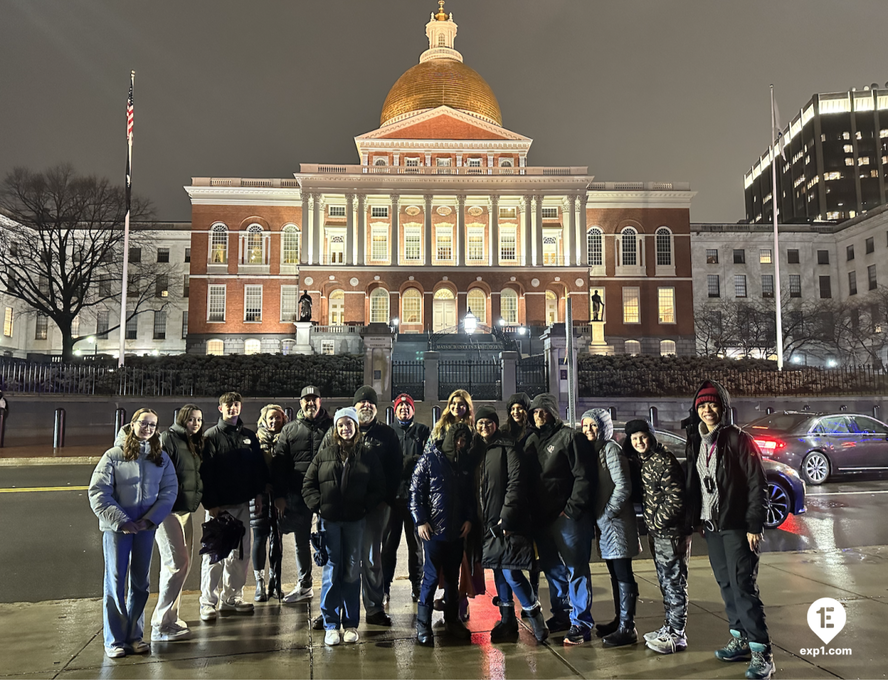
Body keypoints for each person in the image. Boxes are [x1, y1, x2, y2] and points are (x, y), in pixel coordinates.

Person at [684, 380, 774, 680]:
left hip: (736, 525)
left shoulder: (738, 439)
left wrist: (754, 524)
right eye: (703, 405)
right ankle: (740, 639)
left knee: (743, 587)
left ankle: (762, 651)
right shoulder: (697, 439)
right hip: (712, 526)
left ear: (723, 407)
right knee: (725, 584)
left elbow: (756, 483)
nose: (708, 410)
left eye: (713, 404)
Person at [88, 408, 178, 658]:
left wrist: (150, 520)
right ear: (133, 424)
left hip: (145, 529)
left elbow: (169, 491)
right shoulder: (113, 455)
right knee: (115, 582)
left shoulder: (160, 457)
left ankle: (135, 636)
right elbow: (98, 493)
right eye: (144, 423)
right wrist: (122, 521)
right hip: (118, 529)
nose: (148, 428)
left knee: (141, 583)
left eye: (153, 425)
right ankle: (114, 639)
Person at [302, 407, 385, 646]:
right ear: (336, 428)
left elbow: (378, 486)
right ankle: (330, 624)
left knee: (351, 570)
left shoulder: (367, 453)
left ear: (355, 427)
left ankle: (350, 624)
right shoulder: (325, 453)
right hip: (329, 521)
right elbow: (308, 484)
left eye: (349, 424)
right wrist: (319, 506)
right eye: (341, 425)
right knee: (331, 570)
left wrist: (363, 507)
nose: (345, 428)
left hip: (355, 521)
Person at [473, 405, 549, 644]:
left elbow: (515, 483)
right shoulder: (477, 449)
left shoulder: (508, 447)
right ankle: (507, 621)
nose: (484, 427)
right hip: (486, 523)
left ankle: (536, 618)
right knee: (498, 569)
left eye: (488, 423)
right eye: (480, 423)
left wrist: (506, 516)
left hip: (506, 520)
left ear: (496, 424)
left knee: (511, 571)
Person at [528, 393, 595, 646]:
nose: (538, 415)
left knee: (576, 568)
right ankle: (562, 614)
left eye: (543, 410)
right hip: (542, 519)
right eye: (535, 411)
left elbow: (583, 476)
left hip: (567, 519)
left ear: (553, 412)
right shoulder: (532, 440)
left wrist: (572, 509)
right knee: (553, 570)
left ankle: (582, 623)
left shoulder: (570, 437)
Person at [621, 418, 691, 655]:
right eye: (634, 439)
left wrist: (658, 522)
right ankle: (670, 627)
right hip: (658, 533)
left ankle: (677, 634)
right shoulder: (644, 461)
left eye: (642, 436)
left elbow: (676, 498)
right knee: (666, 581)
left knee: (674, 583)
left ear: (650, 436)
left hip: (670, 534)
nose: (639, 442)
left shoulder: (663, 460)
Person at [199, 392, 269, 621]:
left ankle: (232, 597)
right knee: (214, 556)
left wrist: (258, 494)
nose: (232, 409)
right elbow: (205, 474)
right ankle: (208, 602)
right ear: (220, 409)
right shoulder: (210, 437)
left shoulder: (249, 436)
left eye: (236, 405)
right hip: (220, 508)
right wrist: (211, 505)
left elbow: (258, 469)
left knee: (240, 555)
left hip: (243, 504)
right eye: (228, 405)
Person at [410, 423, 475, 646]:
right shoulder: (429, 460)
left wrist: (468, 518)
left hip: (455, 532)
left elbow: (468, 495)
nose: (460, 444)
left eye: (464, 440)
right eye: (457, 439)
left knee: (452, 579)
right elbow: (415, 492)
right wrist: (421, 521)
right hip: (433, 533)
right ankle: (423, 624)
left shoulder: (463, 463)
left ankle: (452, 620)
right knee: (429, 579)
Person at [581, 408, 640, 648]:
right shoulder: (595, 451)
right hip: (605, 525)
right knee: (615, 574)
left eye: (593, 426)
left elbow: (623, 488)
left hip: (617, 524)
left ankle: (628, 626)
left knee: (623, 574)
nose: (588, 430)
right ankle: (619, 620)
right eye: (585, 426)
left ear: (604, 427)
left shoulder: (611, 450)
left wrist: (606, 514)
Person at [272, 386, 333, 606]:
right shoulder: (289, 430)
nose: (310, 403)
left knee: (329, 541)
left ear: (320, 401)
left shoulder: (332, 426)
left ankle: (329, 585)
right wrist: (280, 495)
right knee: (301, 541)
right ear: (300, 403)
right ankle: (305, 584)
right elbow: (280, 465)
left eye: (314, 399)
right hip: (298, 494)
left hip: (326, 493)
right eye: (306, 400)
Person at [348, 385, 403, 626]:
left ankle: (373, 607)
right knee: (346, 561)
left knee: (372, 560)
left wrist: (384, 500)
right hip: (347, 509)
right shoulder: (344, 430)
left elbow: (395, 471)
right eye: (362, 402)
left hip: (375, 508)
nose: (366, 406)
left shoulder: (387, 435)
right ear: (355, 406)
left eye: (371, 402)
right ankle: (344, 608)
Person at [150, 404, 205, 643]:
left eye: (199, 420)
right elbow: (160, 471)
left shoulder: (192, 442)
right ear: (182, 419)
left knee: (182, 565)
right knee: (176, 564)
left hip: (185, 509)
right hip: (168, 510)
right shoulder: (169, 439)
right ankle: (160, 623)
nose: (195, 423)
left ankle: (172, 616)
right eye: (191, 419)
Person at [384, 393, 429, 602]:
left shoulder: (422, 431)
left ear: (413, 410)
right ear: (395, 411)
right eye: (400, 407)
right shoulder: (389, 432)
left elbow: (428, 458)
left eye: (407, 407)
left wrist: (408, 462)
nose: (404, 410)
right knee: (389, 545)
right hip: (393, 498)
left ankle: (417, 585)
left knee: (416, 547)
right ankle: (384, 586)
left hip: (414, 499)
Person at [251, 404, 288, 602]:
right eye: (270, 418)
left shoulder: (287, 437)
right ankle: (259, 582)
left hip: (280, 495)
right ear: (263, 420)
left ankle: (275, 580)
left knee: (277, 538)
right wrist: (260, 486)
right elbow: (252, 467)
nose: (274, 422)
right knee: (260, 537)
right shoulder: (256, 439)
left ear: (283, 419)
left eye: (277, 418)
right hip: (260, 495)